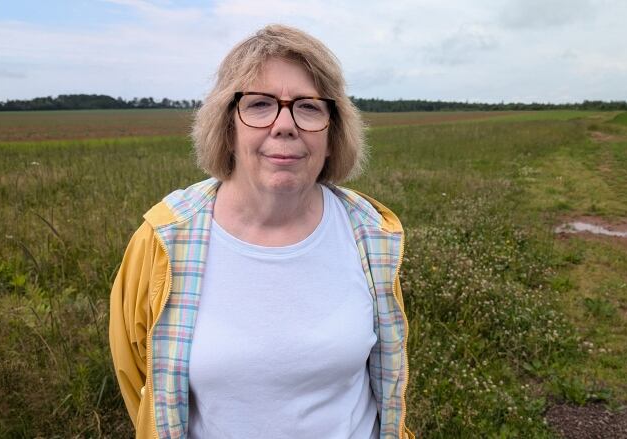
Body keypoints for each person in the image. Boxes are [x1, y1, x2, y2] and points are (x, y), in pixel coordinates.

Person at [109, 24, 414, 438]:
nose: (285, 124)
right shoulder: (163, 240)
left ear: (332, 132)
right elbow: (139, 385)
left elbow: (386, 383)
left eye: (308, 107)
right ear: (228, 128)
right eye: (259, 104)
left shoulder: (371, 234)